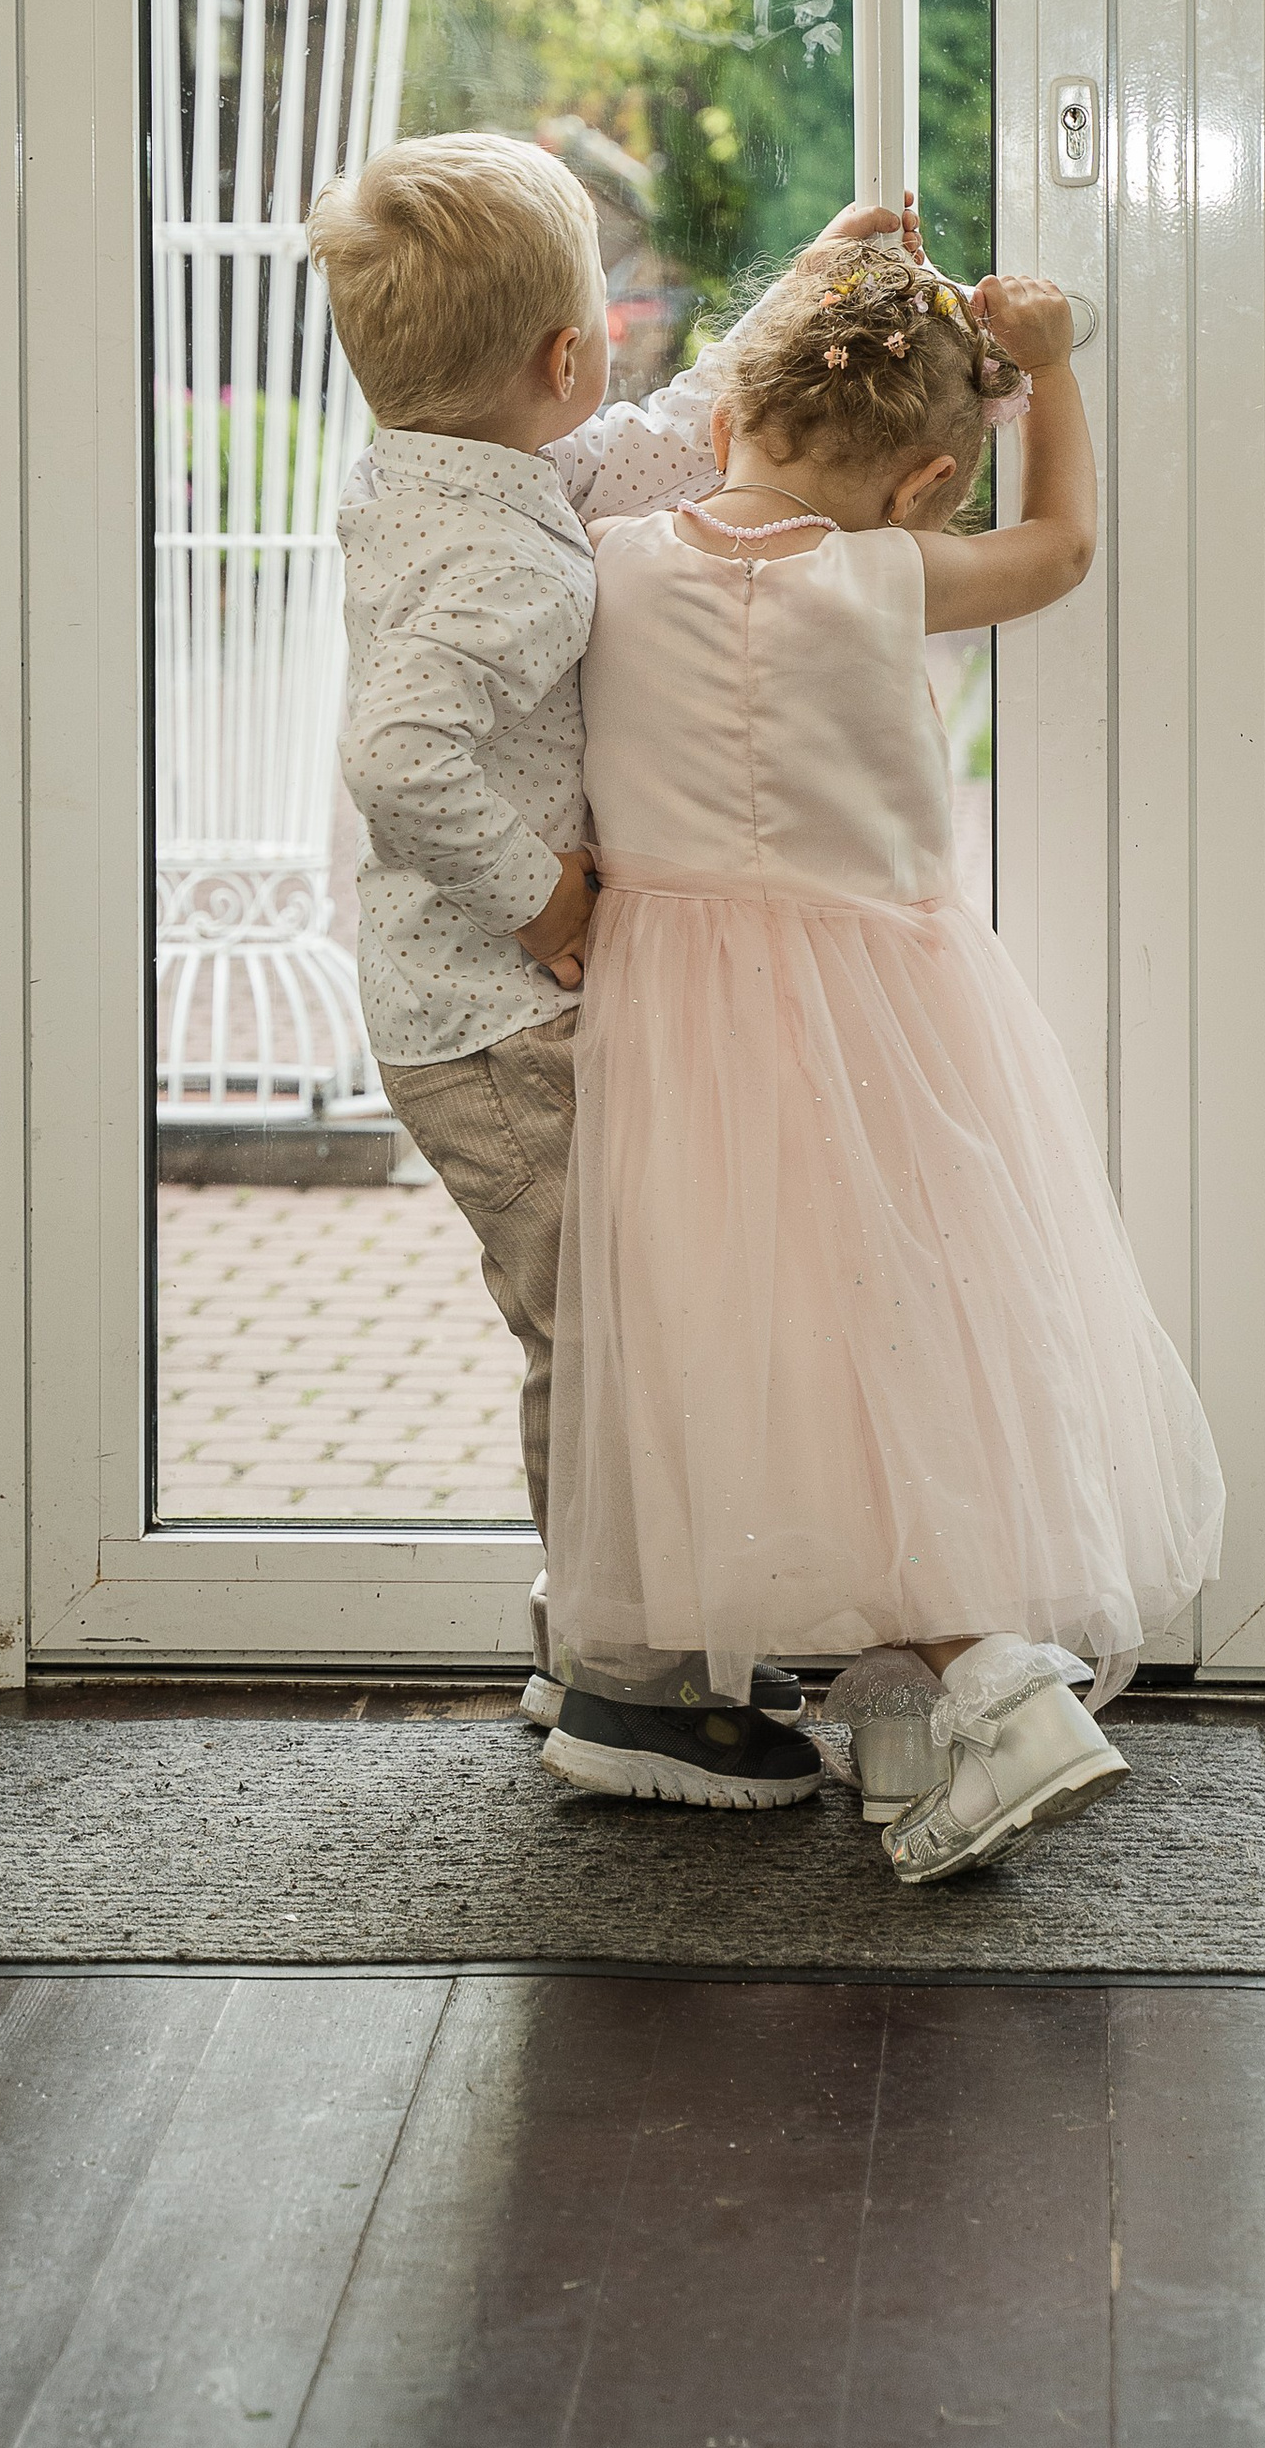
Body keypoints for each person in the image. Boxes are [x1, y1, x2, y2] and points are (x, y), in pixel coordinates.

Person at [539, 234, 1226, 1878]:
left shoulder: (616, 558)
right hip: (896, 1024)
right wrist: (1051, 362)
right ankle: (977, 1691)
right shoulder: (896, 575)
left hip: (686, 1033)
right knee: (907, 1346)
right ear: (927, 480)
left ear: (726, 422)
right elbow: (1058, 550)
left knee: (762, 1360)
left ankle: (972, 1694)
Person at [308, 131, 908, 1787]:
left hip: (474, 1013)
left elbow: (649, 447)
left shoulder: (449, 467)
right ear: (561, 357)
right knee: (606, 1333)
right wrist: (543, 897)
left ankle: (596, 1641)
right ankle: (630, 1691)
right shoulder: (505, 549)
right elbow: (399, 755)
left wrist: (792, 301)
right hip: (492, 1017)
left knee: (606, 1315)